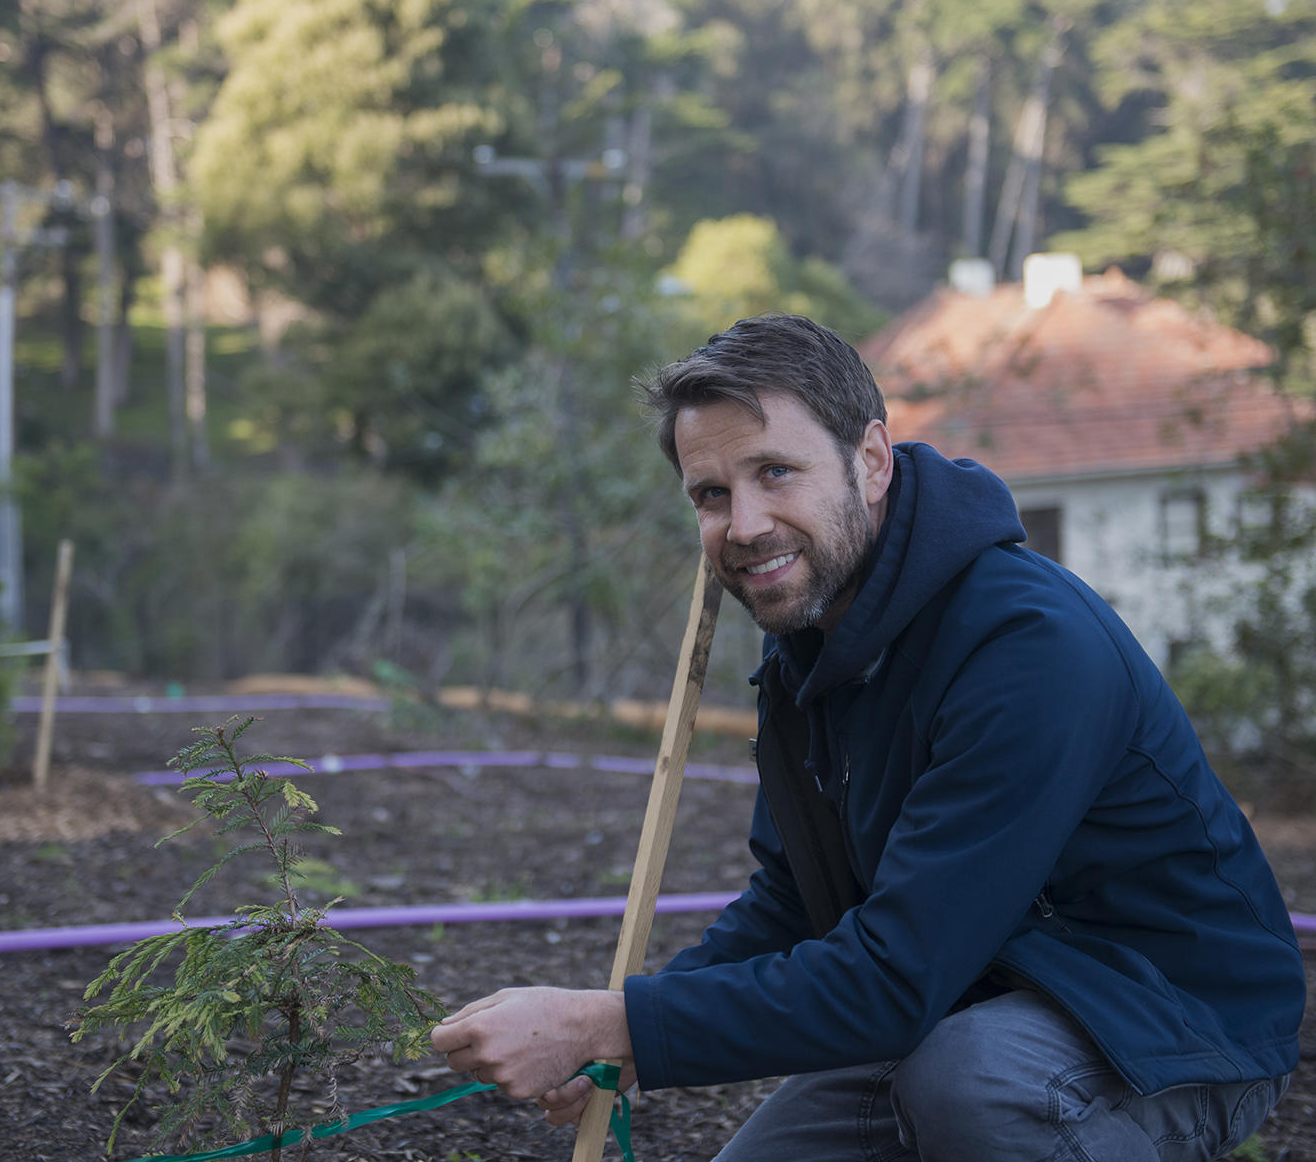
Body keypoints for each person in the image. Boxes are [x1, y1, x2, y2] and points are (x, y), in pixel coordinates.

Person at [430, 313, 1306, 1160]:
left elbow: (893, 977)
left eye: (776, 472)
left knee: (975, 1089)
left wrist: (606, 1024)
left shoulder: (1028, 648)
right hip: (967, 1000)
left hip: (1160, 1019)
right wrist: (624, 1035)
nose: (743, 526)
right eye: (712, 493)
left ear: (873, 461)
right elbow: (791, 903)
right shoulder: (810, 649)